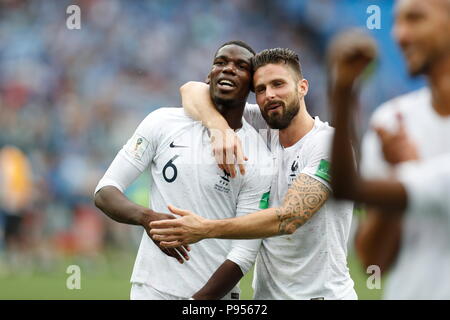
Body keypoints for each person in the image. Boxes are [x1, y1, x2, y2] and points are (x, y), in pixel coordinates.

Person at [151, 48, 357, 300]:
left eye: (278, 84)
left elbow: (289, 218)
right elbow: (191, 90)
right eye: (260, 89)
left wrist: (206, 229)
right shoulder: (263, 125)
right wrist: (219, 128)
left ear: (302, 87)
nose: (269, 95)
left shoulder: (328, 144)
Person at [94, 40, 274, 300]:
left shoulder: (259, 156)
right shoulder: (162, 122)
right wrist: (146, 217)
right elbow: (105, 190)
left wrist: (195, 304)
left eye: (240, 66)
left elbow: (243, 254)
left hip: (214, 298)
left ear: (251, 85)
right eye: (220, 62)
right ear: (208, 75)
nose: (228, 69)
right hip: (150, 289)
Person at [337, 0, 450, 299]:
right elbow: (374, 262)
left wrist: (342, 93)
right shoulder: (392, 122)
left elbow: (346, 187)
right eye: (397, 21)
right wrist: (401, 178)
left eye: (415, 18)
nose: (399, 35)